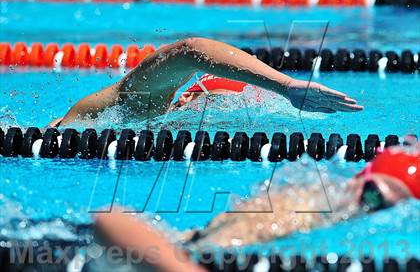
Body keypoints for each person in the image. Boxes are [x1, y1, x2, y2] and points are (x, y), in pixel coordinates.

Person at [94, 144, 419, 271]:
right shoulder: (302, 208)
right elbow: (111, 220)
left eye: (388, 209)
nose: (373, 211)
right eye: (375, 197)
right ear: (358, 180)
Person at [49, 38, 363, 127]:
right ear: (187, 99)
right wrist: (285, 86)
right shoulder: (139, 106)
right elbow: (191, 51)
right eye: (211, 105)